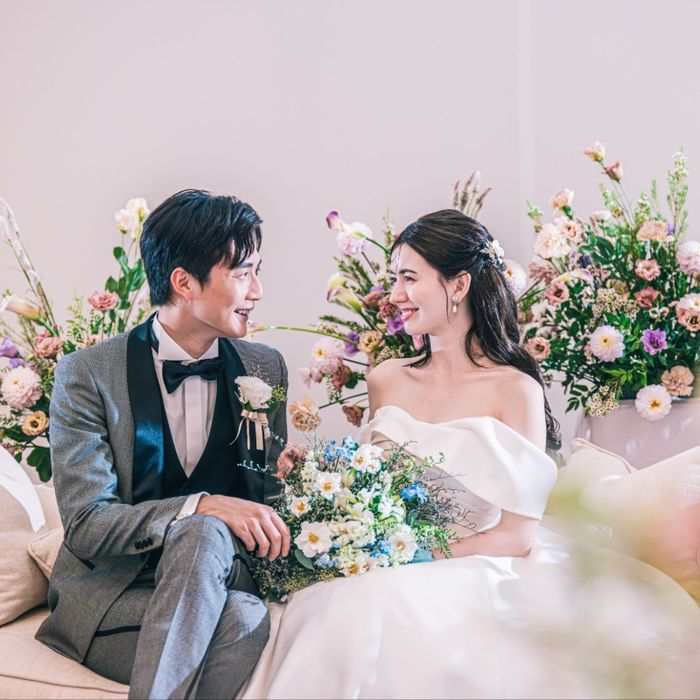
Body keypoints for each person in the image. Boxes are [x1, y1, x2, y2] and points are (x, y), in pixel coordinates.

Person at [243, 210, 700, 699]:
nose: (394, 295)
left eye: (409, 278)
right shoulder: (386, 379)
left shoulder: (515, 389)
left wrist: (418, 554)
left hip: (483, 560)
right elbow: (374, 489)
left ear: (458, 284)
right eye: (395, 279)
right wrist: (318, 483)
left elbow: (518, 534)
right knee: (333, 609)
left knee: (385, 607)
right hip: (388, 562)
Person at [36, 189, 291, 699]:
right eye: (242, 273)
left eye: (257, 271)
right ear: (184, 282)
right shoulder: (87, 374)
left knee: (245, 612)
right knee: (207, 538)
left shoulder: (265, 368)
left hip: (222, 585)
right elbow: (86, 524)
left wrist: (300, 483)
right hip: (119, 595)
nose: (258, 290)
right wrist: (201, 507)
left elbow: (267, 497)